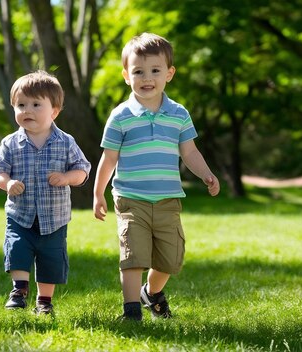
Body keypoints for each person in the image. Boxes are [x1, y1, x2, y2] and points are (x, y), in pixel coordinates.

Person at [93, 33, 220, 321]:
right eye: (138, 71)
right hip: (130, 199)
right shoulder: (120, 116)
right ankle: (131, 311)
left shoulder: (178, 114)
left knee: (170, 259)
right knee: (132, 256)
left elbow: (189, 152)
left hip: (168, 200)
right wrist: (98, 192)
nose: (146, 78)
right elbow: (108, 158)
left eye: (155, 71)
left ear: (169, 74)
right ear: (127, 75)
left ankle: (150, 293)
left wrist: (206, 174)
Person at [0, 70, 91, 315]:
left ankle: (44, 301)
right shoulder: (10, 143)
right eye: (21, 105)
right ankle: (19, 290)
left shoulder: (65, 142)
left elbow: (82, 170)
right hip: (20, 215)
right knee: (17, 249)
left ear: (54, 111)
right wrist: (7, 182)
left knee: (50, 260)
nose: (27, 111)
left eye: (35, 104)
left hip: (54, 218)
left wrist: (66, 178)